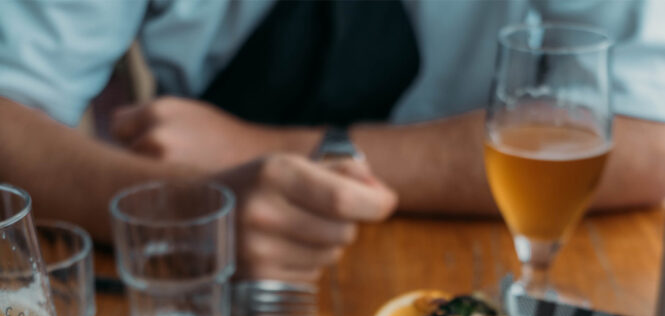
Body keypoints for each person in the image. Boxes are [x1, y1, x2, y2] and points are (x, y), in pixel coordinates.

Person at [0, 0, 664, 281]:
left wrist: (270, 151)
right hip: (197, 281)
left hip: (493, 250)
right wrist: (179, 208)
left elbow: (646, 133)